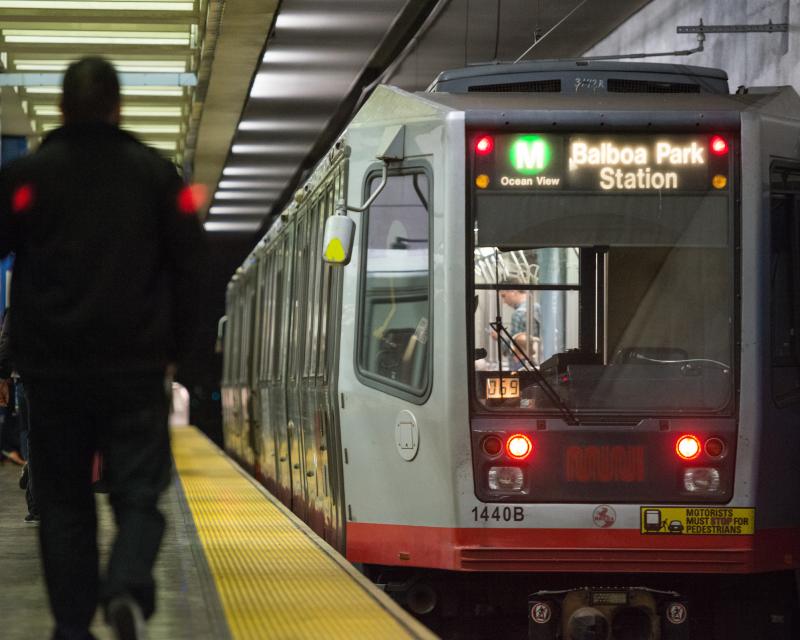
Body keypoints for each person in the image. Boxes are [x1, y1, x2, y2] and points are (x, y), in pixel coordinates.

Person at [0, 57, 208, 640]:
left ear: (62, 108)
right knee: (139, 490)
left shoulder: (28, 178)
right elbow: (192, 269)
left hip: (53, 373)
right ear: (119, 108)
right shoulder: (156, 177)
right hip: (135, 369)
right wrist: (178, 352)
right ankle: (123, 588)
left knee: (64, 502)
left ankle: (72, 626)